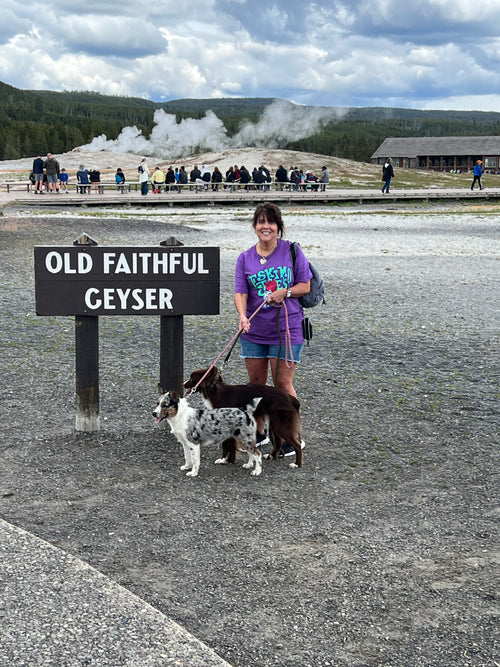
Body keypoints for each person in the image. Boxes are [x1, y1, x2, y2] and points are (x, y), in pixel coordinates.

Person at [234, 202, 312, 453]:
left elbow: (305, 286)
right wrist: (242, 316)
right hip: (254, 331)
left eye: (271, 222)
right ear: (255, 226)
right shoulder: (245, 257)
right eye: (261, 222)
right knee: (256, 383)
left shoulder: (292, 251)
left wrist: (285, 291)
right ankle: (260, 433)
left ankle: (291, 435)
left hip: (287, 330)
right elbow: (240, 292)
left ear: (278, 227)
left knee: (282, 385)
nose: (265, 227)